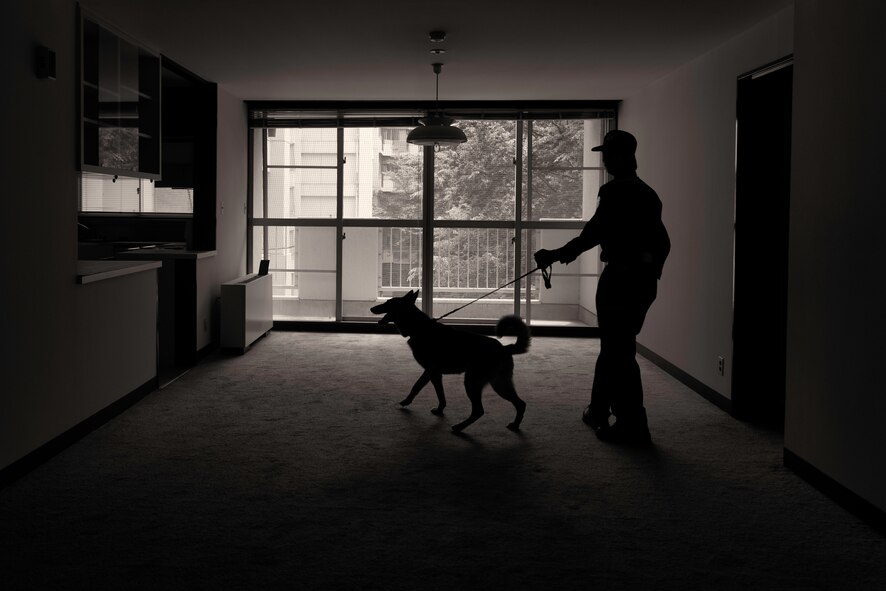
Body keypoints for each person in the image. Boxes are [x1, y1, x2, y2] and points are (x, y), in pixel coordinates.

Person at [534, 129, 669, 445]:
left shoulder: (616, 192)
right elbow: (663, 242)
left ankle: (633, 424)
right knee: (615, 348)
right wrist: (650, 271)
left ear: (623, 155)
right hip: (642, 282)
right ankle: (597, 410)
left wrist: (554, 254)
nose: (605, 159)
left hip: (620, 281)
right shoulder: (649, 194)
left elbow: (591, 234)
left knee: (619, 352)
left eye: (608, 154)